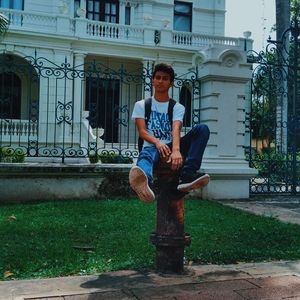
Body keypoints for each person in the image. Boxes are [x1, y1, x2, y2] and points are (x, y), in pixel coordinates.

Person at [129, 63, 210, 203]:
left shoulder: (177, 107)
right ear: (153, 80)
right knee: (147, 154)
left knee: (202, 129)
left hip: (172, 146)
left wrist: (176, 150)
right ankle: (145, 183)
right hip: (151, 147)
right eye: (158, 77)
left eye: (165, 78)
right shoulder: (141, 105)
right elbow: (142, 131)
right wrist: (158, 142)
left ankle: (187, 176)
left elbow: (176, 128)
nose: (160, 81)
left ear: (171, 83)